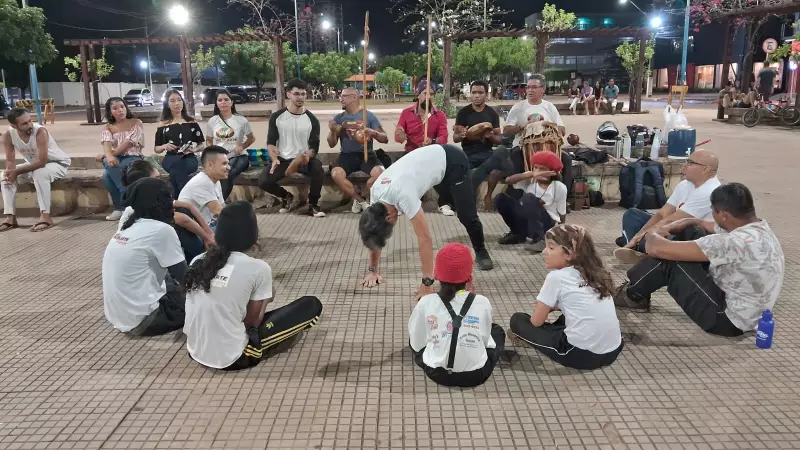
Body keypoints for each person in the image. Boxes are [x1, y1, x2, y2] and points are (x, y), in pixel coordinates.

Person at [615, 183, 784, 337]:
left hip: (728, 321)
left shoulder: (732, 242)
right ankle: (643, 275)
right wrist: (689, 221)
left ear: (724, 215)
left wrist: (653, 232)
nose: (712, 215)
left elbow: (656, 248)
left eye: (713, 211)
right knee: (693, 231)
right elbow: (705, 226)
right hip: (751, 313)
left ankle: (632, 295)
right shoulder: (759, 228)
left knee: (670, 260)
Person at [183, 201, 323, 371]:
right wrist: (267, 299)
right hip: (235, 357)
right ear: (251, 234)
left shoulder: (198, 260)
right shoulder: (258, 267)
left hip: (194, 349)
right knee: (311, 305)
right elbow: (252, 323)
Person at [359, 144, 494, 300]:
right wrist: (372, 270)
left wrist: (427, 283)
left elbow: (425, 238)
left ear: (389, 218)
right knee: (449, 199)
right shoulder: (376, 192)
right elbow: (373, 235)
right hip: (435, 164)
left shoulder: (403, 194)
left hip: (453, 161)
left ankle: (481, 250)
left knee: (465, 215)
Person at [509, 224, 623, 370]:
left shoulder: (556, 277)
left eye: (551, 247)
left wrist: (546, 307)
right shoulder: (596, 271)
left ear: (569, 253)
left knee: (518, 320)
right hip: (614, 348)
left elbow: (536, 321)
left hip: (582, 355)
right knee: (570, 316)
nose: (545, 252)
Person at [408, 243, 505, 387]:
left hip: (436, 372)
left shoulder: (426, 302)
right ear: (469, 277)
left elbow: (416, 343)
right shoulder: (482, 302)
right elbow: (485, 340)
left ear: (436, 275)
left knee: (418, 330)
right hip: (476, 374)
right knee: (496, 331)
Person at [102, 178, 188, 336]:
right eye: (169, 198)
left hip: (119, 317)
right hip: (145, 320)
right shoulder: (162, 230)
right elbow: (186, 279)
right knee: (205, 303)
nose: (172, 203)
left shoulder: (129, 226)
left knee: (167, 276)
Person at [615, 150, 721, 265]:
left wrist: (643, 235)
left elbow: (673, 220)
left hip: (689, 236)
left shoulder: (710, 191)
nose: (684, 166)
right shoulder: (685, 184)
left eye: (690, 163)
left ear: (705, 169)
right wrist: (638, 236)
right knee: (632, 215)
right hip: (673, 226)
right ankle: (636, 248)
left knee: (658, 235)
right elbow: (663, 213)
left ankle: (640, 249)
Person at [120, 159, 215, 263]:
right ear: (145, 183)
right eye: (156, 178)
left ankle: (199, 256)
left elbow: (187, 206)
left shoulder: (149, 197)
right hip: (144, 256)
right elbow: (183, 220)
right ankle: (202, 257)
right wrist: (207, 238)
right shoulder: (134, 207)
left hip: (155, 246)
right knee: (178, 226)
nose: (161, 182)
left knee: (183, 212)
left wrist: (208, 232)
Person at [258, 79, 325, 218]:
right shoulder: (277, 117)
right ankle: (286, 196)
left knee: (318, 169)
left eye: (303, 94)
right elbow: (271, 142)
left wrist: (308, 156)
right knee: (264, 181)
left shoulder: (312, 119)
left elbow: (314, 146)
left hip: (303, 160)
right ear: (289, 94)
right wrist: (274, 159)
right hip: (283, 159)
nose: (300, 97)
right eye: (296, 94)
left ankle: (313, 204)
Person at [500, 74, 572, 201]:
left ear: (542, 89)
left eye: (534, 87)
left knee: (566, 159)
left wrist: (549, 126)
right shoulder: (518, 107)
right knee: (516, 155)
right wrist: (522, 127)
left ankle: (562, 199)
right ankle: (519, 195)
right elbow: (505, 131)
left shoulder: (549, 107)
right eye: (528, 87)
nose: (530, 90)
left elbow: (562, 130)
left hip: (548, 148)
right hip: (522, 146)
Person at [1, 108, 71, 233]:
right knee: (4, 176)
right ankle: (10, 218)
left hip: (57, 164)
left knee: (39, 173)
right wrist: (10, 171)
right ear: (13, 125)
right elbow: (10, 161)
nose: (30, 125)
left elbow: (41, 161)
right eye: (24, 123)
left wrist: (17, 172)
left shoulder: (40, 131)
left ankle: (45, 216)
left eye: (30, 121)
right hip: (33, 165)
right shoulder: (8, 135)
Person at [328, 86, 389, 214]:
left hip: (367, 154)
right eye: (341, 96)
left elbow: (385, 139)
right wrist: (333, 131)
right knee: (336, 174)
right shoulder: (338, 118)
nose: (341, 99)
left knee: (380, 173)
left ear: (354, 97)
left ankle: (364, 196)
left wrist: (373, 133)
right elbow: (331, 144)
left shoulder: (368, 116)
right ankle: (360, 200)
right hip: (347, 155)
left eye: (344, 96)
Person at [494, 152, 567, 252]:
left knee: (528, 198)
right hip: (527, 221)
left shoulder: (559, 187)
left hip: (546, 224)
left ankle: (540, 239)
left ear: (552, 172)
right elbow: (508, 180)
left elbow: (562, 213)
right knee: (500, 198)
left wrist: (562, 235)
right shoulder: (530, 180)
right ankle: (518, 234)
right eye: (535, 168)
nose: (538, 171)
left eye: (542, 169)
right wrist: (531, 174)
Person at [452, 80, 505, 214]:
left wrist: (491, 137)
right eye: (474, 92)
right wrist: (462, 135)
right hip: (468, 153)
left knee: (497, 168)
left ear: (486, 95)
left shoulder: (492, 114)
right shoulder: (464, 113)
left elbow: (499, 140)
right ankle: (463, 201)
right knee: (458, 171)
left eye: (480, 93)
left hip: (487, 152)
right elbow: (455, 138)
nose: (476, 96)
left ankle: (488, 196)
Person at [205, 89, 256, 200]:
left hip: (240, 156)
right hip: (221, 157)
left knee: (227, 172)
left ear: (231, 102)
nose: (223, 102)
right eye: (220, 100)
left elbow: (251, 138)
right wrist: (211, 149)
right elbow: (208, 140)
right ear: (216, 103)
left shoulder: (241, 120)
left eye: (226, 100)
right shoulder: (212, 121)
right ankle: (216, 204)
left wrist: (242, 146)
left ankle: (218, 204)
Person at [100, 97, 145, 221]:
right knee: (106, 175)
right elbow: (106, 143)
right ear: (110, 112)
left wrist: (109, 155)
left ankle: (127, 201)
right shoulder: (108, 127)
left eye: (122, 107)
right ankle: (120, 208)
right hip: (116, 159)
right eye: (115, 108)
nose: (120, 110)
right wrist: (108, 156)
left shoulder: (136, 122)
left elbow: (129, 143)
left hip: (134, 157)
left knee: (111, 166)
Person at [154, 88, 205, 195]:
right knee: (177, 166)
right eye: (172, 101)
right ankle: (185, 199)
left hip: (189, 158)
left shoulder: (191, 122)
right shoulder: (163, 124)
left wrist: (194, 149)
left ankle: (176, 200)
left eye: (179, 100)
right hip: (170, 158)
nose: (177, 103)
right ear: (167, 104)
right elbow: (157, 149)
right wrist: (165, 146)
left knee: (177, 169)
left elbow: (202, 145)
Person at [178, 146, 230, 231]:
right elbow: (219, 211)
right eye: (224, 163)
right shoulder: (202, 182)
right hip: (193, 232)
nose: (229, 167)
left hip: (207, 225)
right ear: (210, 165)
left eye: (228, 163)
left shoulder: (215, 181)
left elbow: (223, 207)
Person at [395, 82, 448, 154]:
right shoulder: (406, 113)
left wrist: (432, 141)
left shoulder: (440, 115)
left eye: (431, 94)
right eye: (425, 93)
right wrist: (400, 135)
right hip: (411, 154)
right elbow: (398, 139)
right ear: (418, 95)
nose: (428, 97)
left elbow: (444, 138)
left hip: (432, 154)